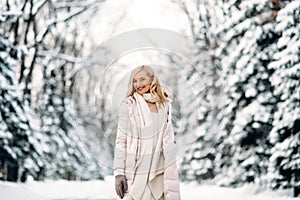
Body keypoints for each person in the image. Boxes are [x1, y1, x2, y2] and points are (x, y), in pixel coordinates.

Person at [113, 65, 181, 200]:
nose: (138, 84)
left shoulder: (164, 105)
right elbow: (121, 140)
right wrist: (119, 172)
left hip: (160, 169)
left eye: (142, 79)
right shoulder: (129, 105)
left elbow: (168, 137)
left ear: (152, 79)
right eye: (134, 81)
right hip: (138, 168)